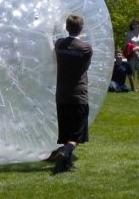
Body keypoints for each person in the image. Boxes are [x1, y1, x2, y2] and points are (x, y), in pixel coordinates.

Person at [50, 14, 92, 174]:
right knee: (77, 135)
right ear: (82, 28)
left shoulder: (59, 44)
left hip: (61, 95)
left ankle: (66, 164)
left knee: (67, 132)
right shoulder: (86, 48)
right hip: (78, 95)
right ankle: (64, 152)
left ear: (66, 27)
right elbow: (85, 66)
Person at [125, 19, 139, 92]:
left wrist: (137, 48)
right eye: (133, 24)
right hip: (131, 55)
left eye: (136, 24)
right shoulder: (129, 34)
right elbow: (127, 44)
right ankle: (133, 87)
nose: (135, 25)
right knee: (132, 72)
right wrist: (134, 50)